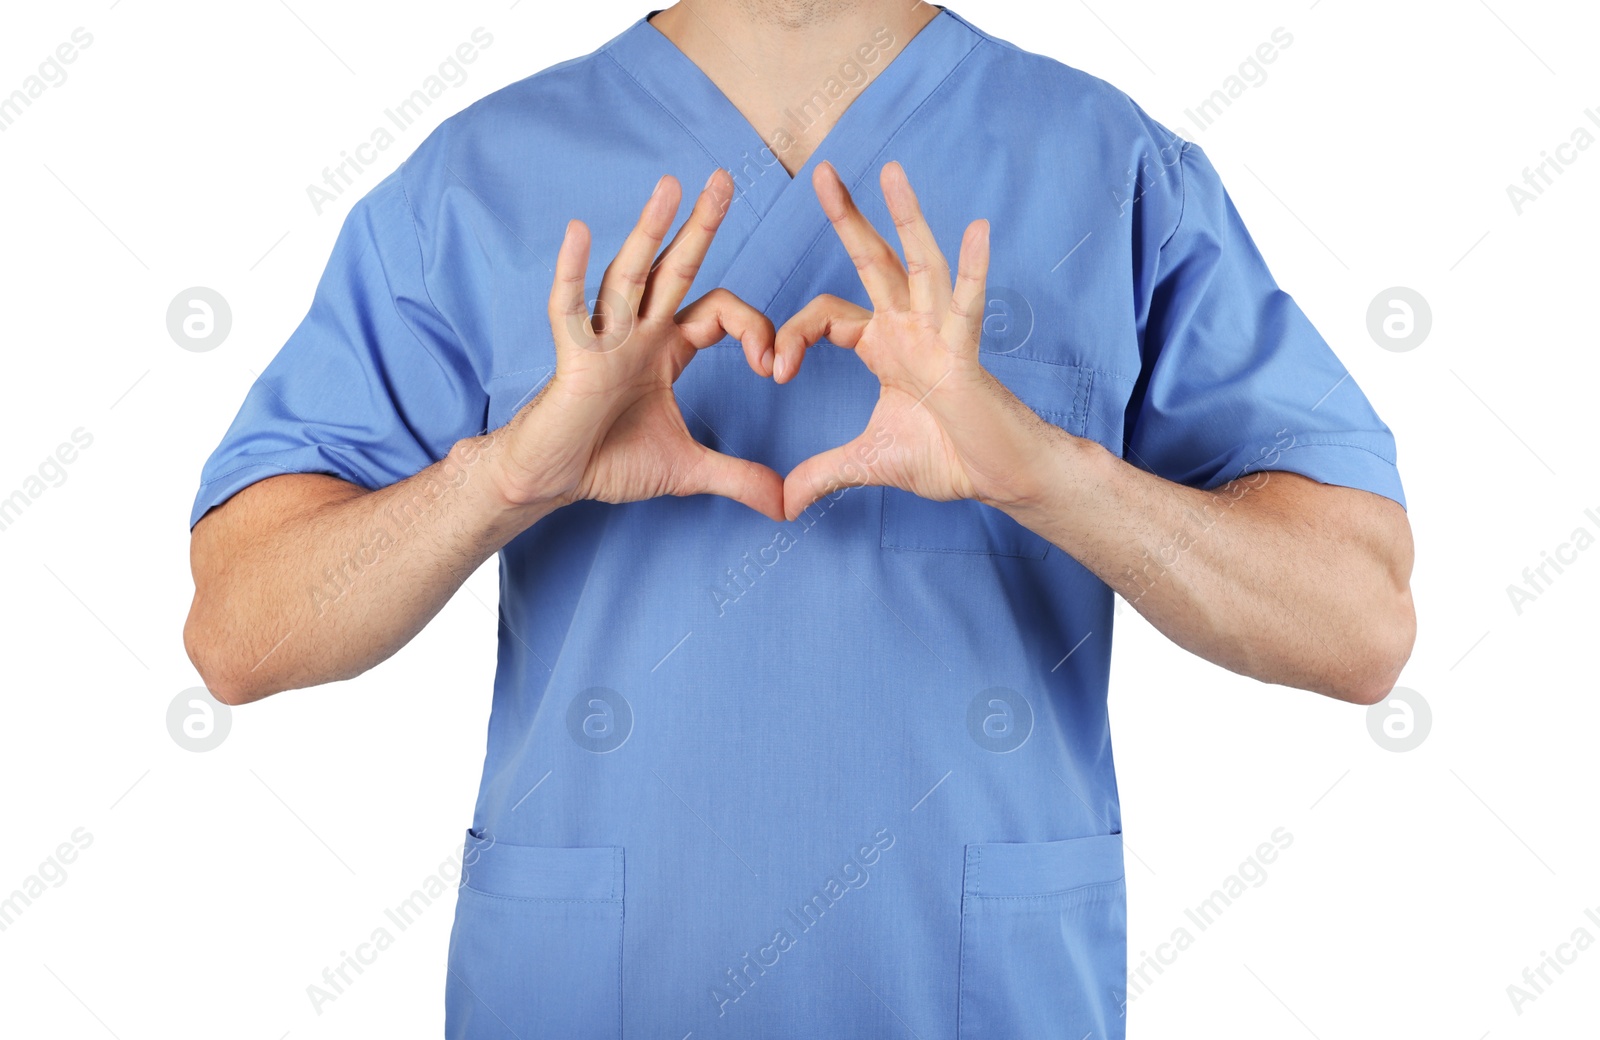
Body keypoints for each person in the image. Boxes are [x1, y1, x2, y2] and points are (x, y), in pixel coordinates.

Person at [183, 3, 1416, 1037]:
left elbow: (1358, 623)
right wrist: (508, 475)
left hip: (975, 993)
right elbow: (241, 630)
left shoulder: (1108, 168)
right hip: (583, 991)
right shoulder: (478, 180)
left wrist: (1048, 472)